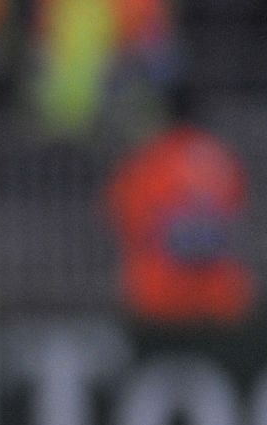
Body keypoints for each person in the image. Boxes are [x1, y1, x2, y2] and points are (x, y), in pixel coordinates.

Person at [105, 85, 252, 326]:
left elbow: (124, 219)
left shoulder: (147, 159)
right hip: (220, 294)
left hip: (159, 294)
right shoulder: (220, 157)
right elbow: (237, 213)